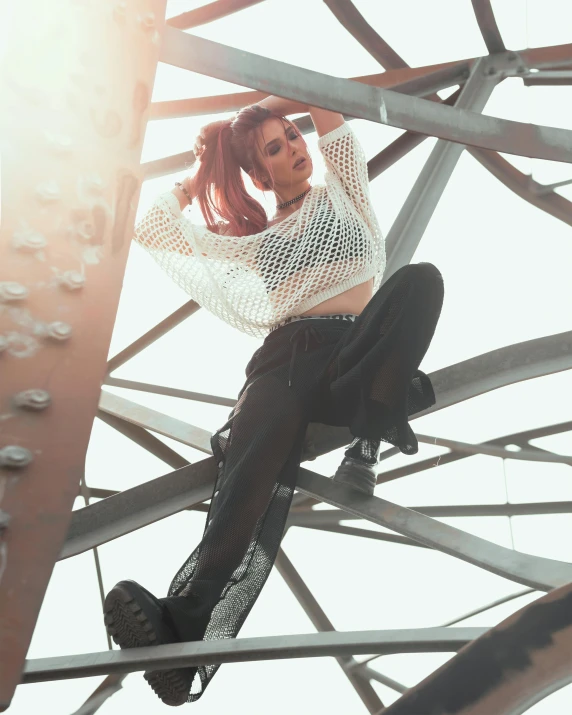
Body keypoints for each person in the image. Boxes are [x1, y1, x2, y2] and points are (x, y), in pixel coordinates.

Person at [103, 98, 444, 706]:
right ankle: (183, 625)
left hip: (352, 354)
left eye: (291, 136)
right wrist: (205, 169)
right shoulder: (256, 245)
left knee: (421, 283)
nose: (294, 145)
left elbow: (325, 109)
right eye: (276, 148)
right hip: (285, 363)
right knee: (248, 479)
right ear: (260, 177)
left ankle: (366, 443)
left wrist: (261, 109)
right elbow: (154, 226)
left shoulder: (346, 195)